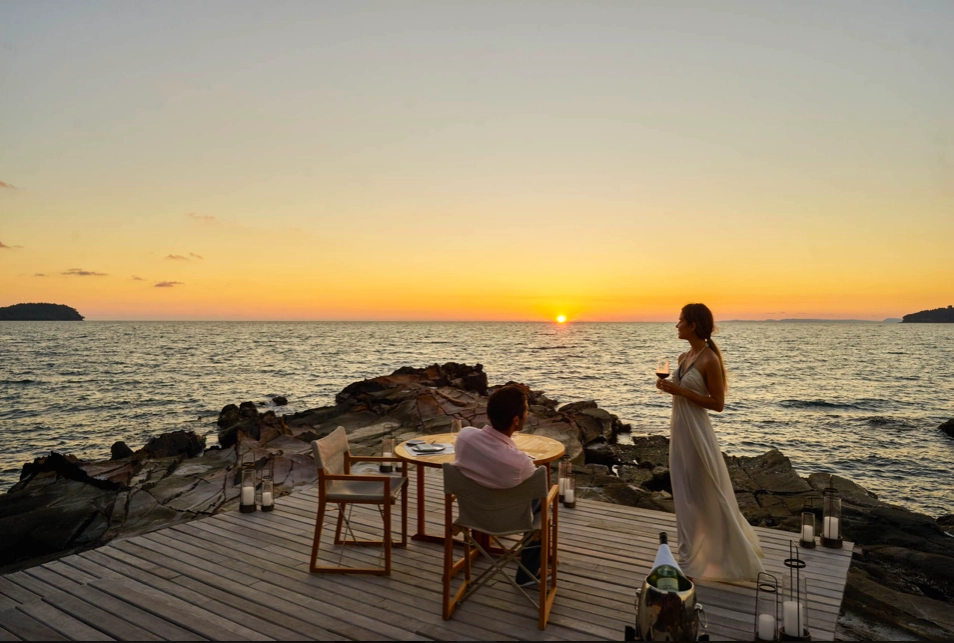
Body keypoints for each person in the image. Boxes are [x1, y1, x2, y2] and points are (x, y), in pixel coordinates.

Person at [656, 303, 765, 582]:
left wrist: (680, 390)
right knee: (683, 490)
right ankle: (690, 554)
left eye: (680, 320)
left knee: (701, 491)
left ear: (692, 325)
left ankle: (706, 557)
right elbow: (683, 393)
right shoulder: (684, 356)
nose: (676, 325)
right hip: (679, 428)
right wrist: (670, 389)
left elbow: (718, 404)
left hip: (697, 432)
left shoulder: (709, 360)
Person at [453, 383, 542, 586]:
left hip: (472, 515)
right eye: (527, 410)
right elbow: (530, 487)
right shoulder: (521, 463)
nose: (528, 413)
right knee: (543, 501)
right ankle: (527, 575)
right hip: (506, 521)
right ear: (516, 420)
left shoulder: (464, 437)